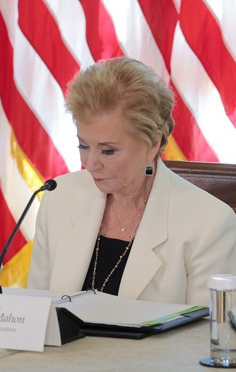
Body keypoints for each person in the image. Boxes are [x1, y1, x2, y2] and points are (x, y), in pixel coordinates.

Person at [28, 57, 236, 305]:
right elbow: (36, 311)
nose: (89, 163)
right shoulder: (59, 197)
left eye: (107, 151)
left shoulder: (209, 223)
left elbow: (204, 337)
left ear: (153, 143)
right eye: (83, 146)